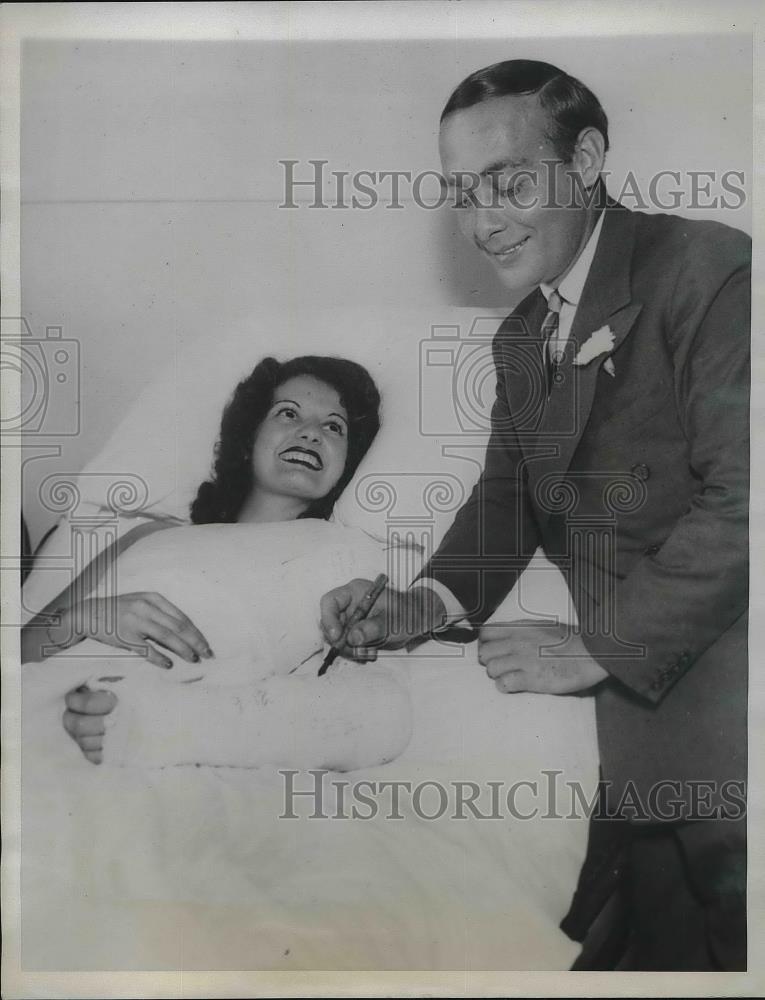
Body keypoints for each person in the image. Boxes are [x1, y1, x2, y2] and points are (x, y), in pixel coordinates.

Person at [320, 60, 749, 970]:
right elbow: (506, 504)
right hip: (625, 717)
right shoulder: (522, 334)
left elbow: (747, 498)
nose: (482, 222)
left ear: (587, 157)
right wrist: (419, 603)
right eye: (460, 194)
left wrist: (597, 647)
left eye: (509, 181)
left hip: (728, 671)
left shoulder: (707, 268)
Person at [31, 356, 412, 772]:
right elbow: (19, 648)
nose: (310, 433)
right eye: (288, 413)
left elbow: (370, 710)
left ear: (346, 466)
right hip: (38, 699)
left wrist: (154, 721)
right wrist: (83, 617)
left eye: (334, 427)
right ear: (249, 439)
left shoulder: (343, 557)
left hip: (132, 730)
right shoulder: (149, 534)